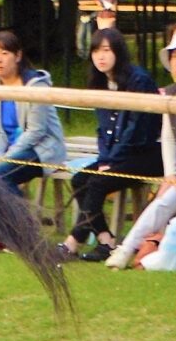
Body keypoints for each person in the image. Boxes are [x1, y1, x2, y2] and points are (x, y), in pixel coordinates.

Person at [58, 28, 163, 262]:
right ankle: (106, 240)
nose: (100, 57)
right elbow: (103, 130)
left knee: (96, 182)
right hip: (119, 155)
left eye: (106, 50)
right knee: (80, 179)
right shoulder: (101, 82)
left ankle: (73, 241)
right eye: (96, 51)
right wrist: (106, 159)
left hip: (148, 153)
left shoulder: (139, 80)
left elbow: (137, 130)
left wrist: (111, 161)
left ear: (118, 51)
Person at [105, 30, 176, 269]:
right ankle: (126, 249)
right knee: (166, 200)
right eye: (174, 57)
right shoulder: (170, 93)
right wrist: (170, 171)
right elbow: (169, 136)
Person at [0, 29, 66, 195]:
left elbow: (36, 131)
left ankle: (20, 219)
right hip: (7, 149)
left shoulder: (36, 86)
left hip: (41, 148)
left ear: (18, 56)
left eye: (4, 53)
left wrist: (4, 159)